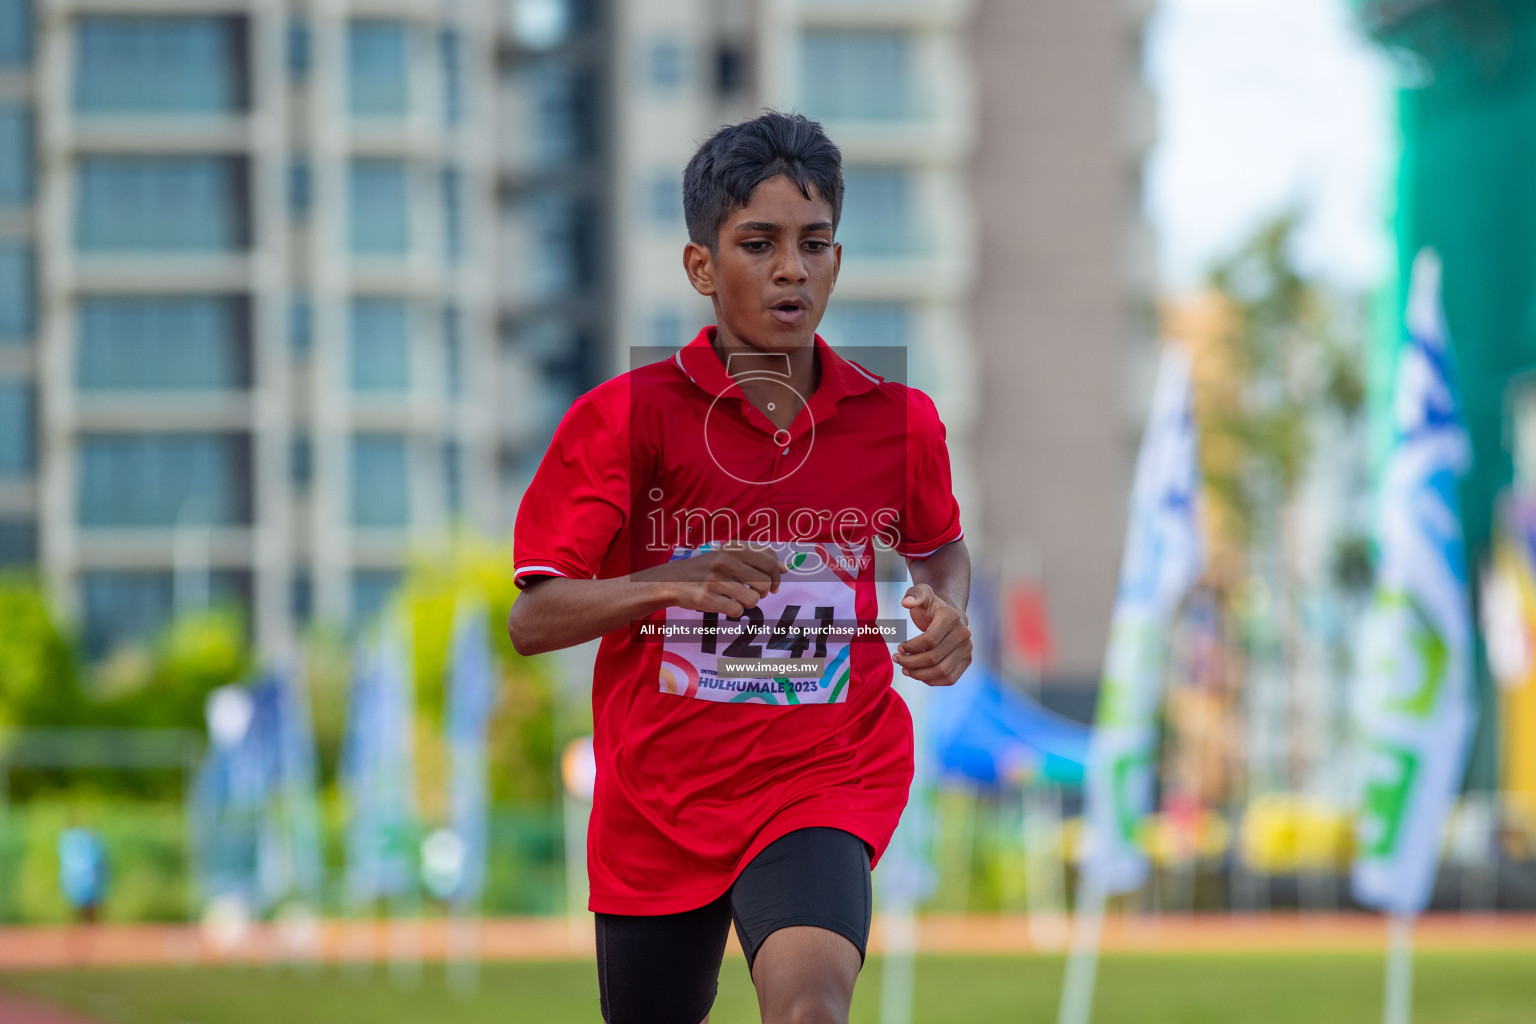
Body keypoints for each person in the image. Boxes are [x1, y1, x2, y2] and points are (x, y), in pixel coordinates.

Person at [507, 110, 972, 1024]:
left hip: (823, 774)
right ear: (701, 267)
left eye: (815, 243)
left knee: (809, 1011)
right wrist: (671, 581)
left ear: (837, 259)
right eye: (757, 243)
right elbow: (534, 619)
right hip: (660, 797)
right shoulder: (625, 417)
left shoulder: (899, 421)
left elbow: (940, 546)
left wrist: (947, 609)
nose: (791, 268)